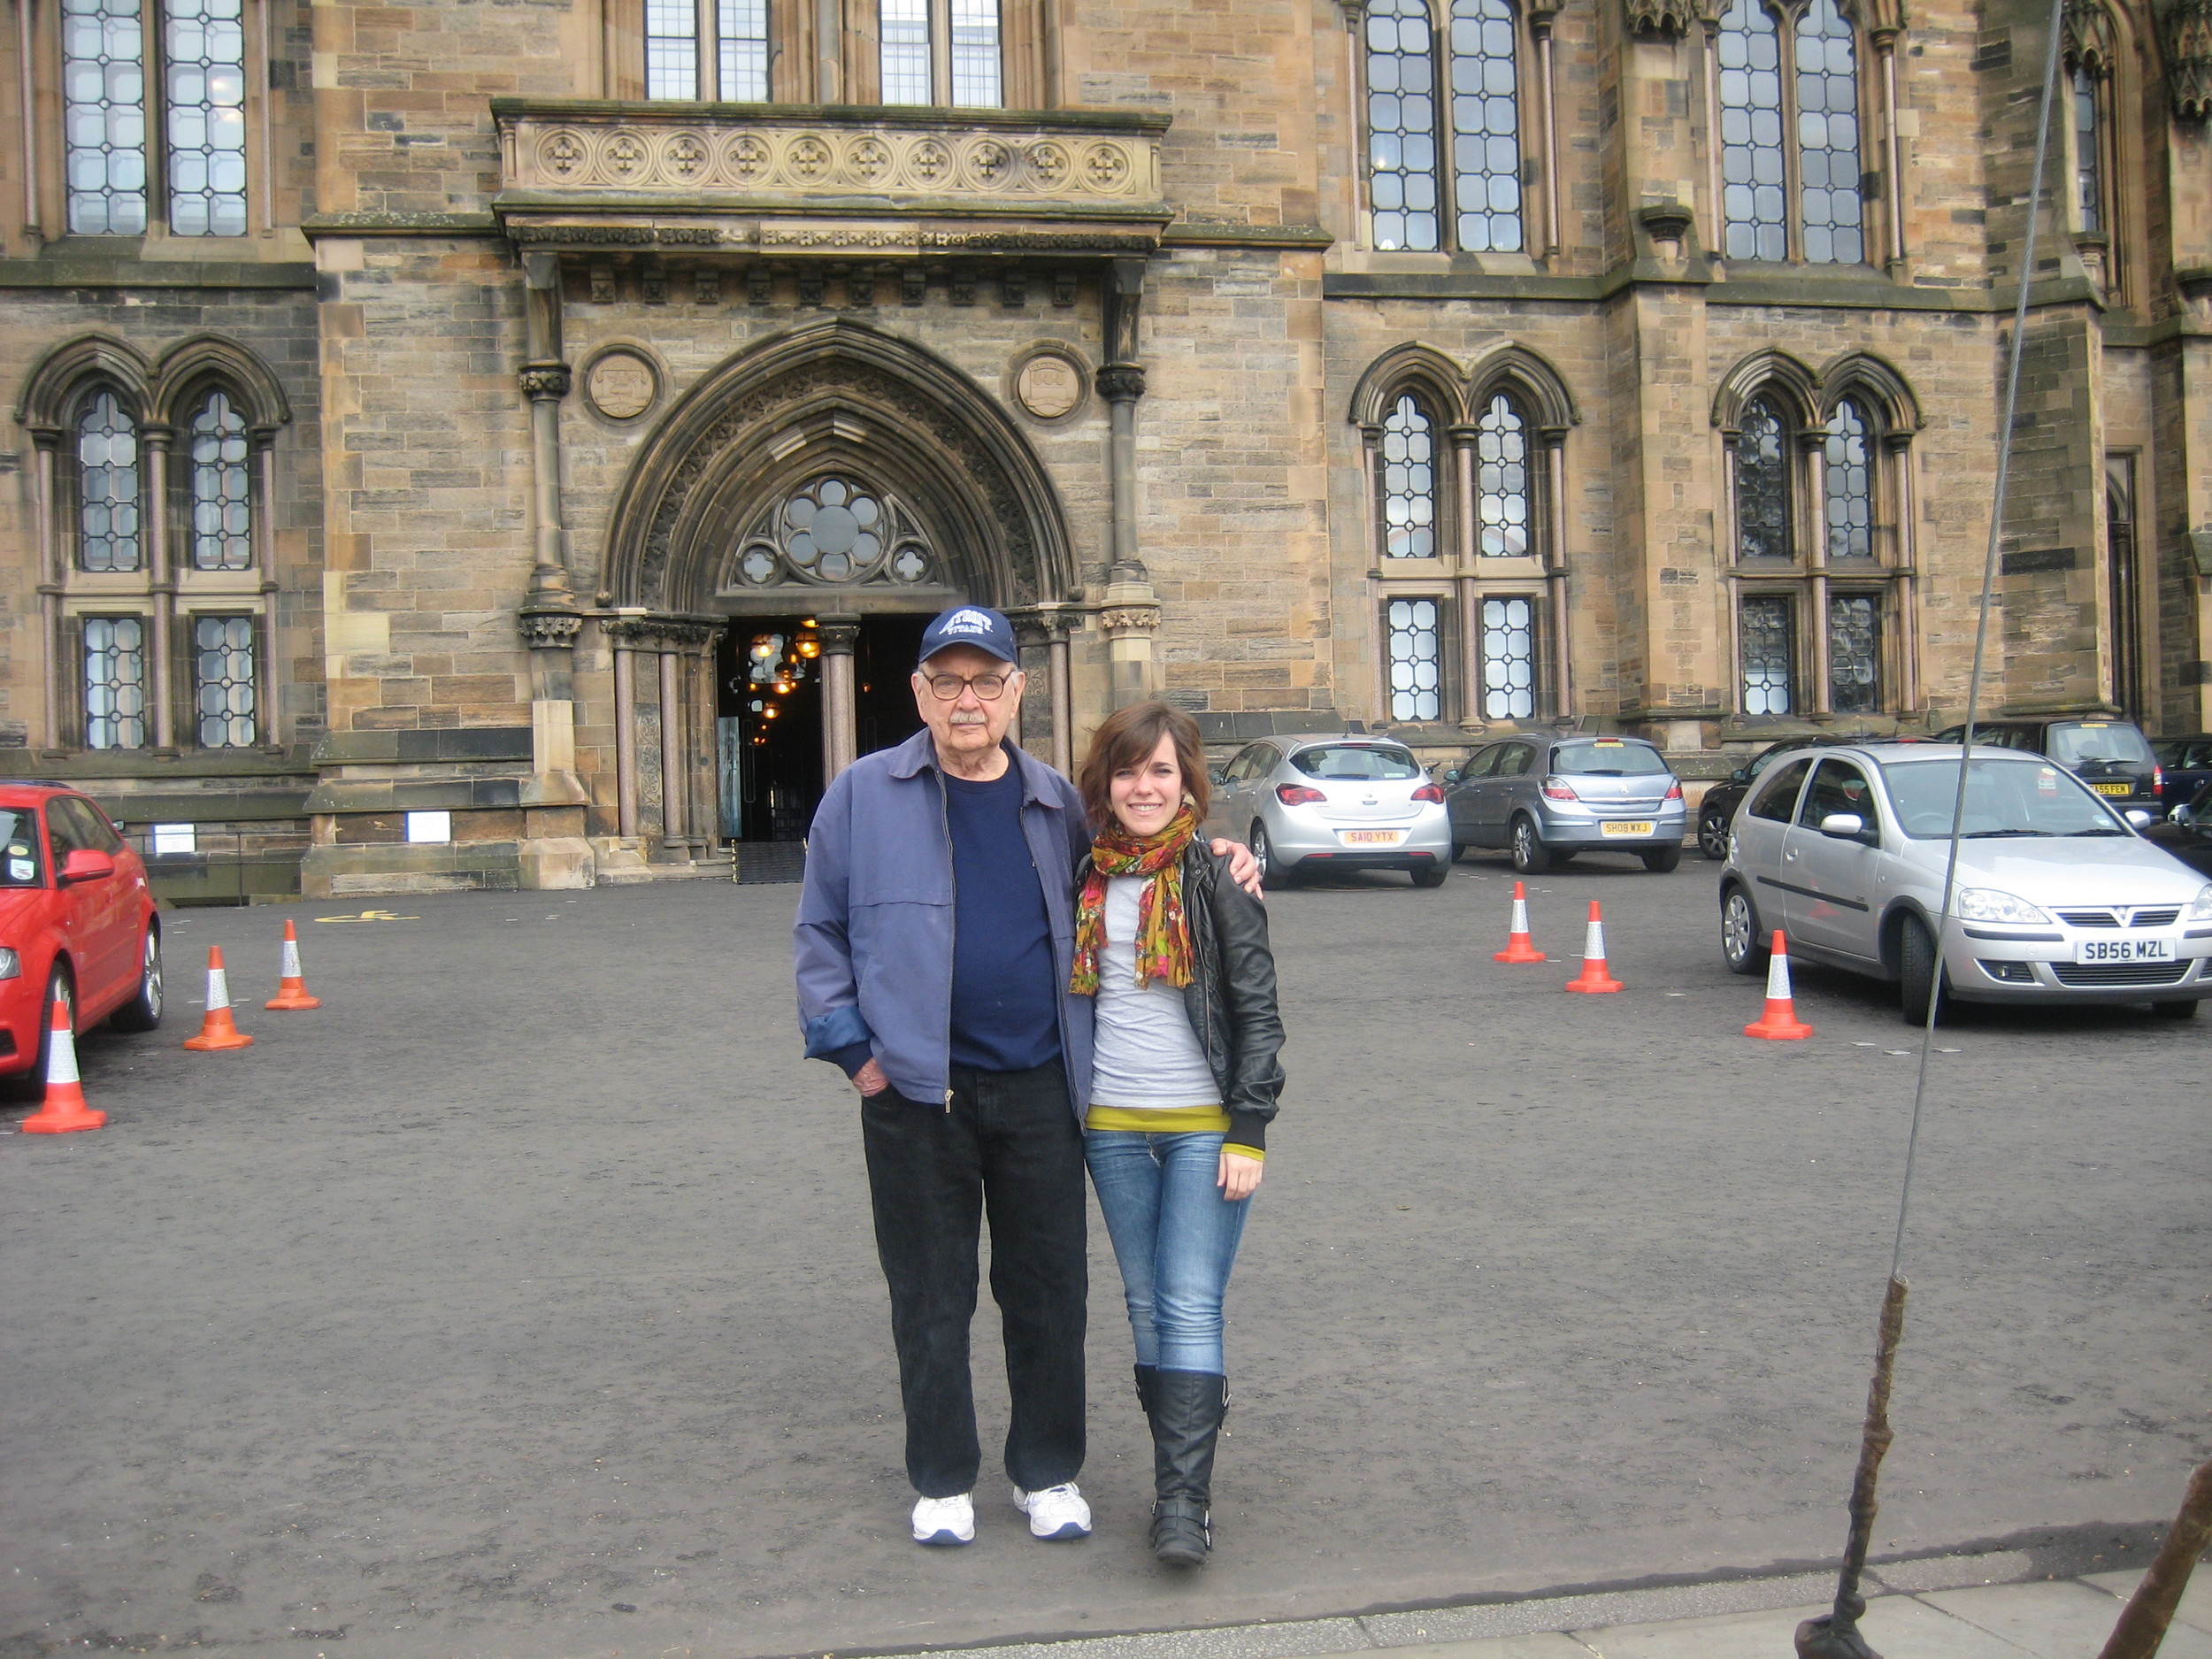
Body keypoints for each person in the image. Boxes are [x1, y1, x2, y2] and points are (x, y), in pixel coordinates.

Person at [793, 605, 1258, 1550]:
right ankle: (941, 1478)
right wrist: (854, 1052)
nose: (968, 700)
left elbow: (1144, 854)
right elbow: (819, 933)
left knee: (1047, 1293)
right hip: (917, 1095)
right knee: (929, 1293)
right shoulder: (859, 795)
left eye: (985, 681)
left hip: (1045, 1088)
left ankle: (1047, 1472)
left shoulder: (1056, 802)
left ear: (1015, 691)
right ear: (920, 693)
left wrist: (1224, 857)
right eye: (948, 682)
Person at [1071, 700, 1284, 1567]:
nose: (1144, 787)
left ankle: (1182, 1506)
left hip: (1203, 1129)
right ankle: (1175, 1484)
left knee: (1189, 1302)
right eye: (1128, 771)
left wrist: (1249, 1130)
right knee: (1145, 1305)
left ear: (1187, 781)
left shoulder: (1215, 876)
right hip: (1111, 1125)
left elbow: (1257, 1010)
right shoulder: (1084, 875)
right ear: (1105, 782)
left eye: (1161, 771)